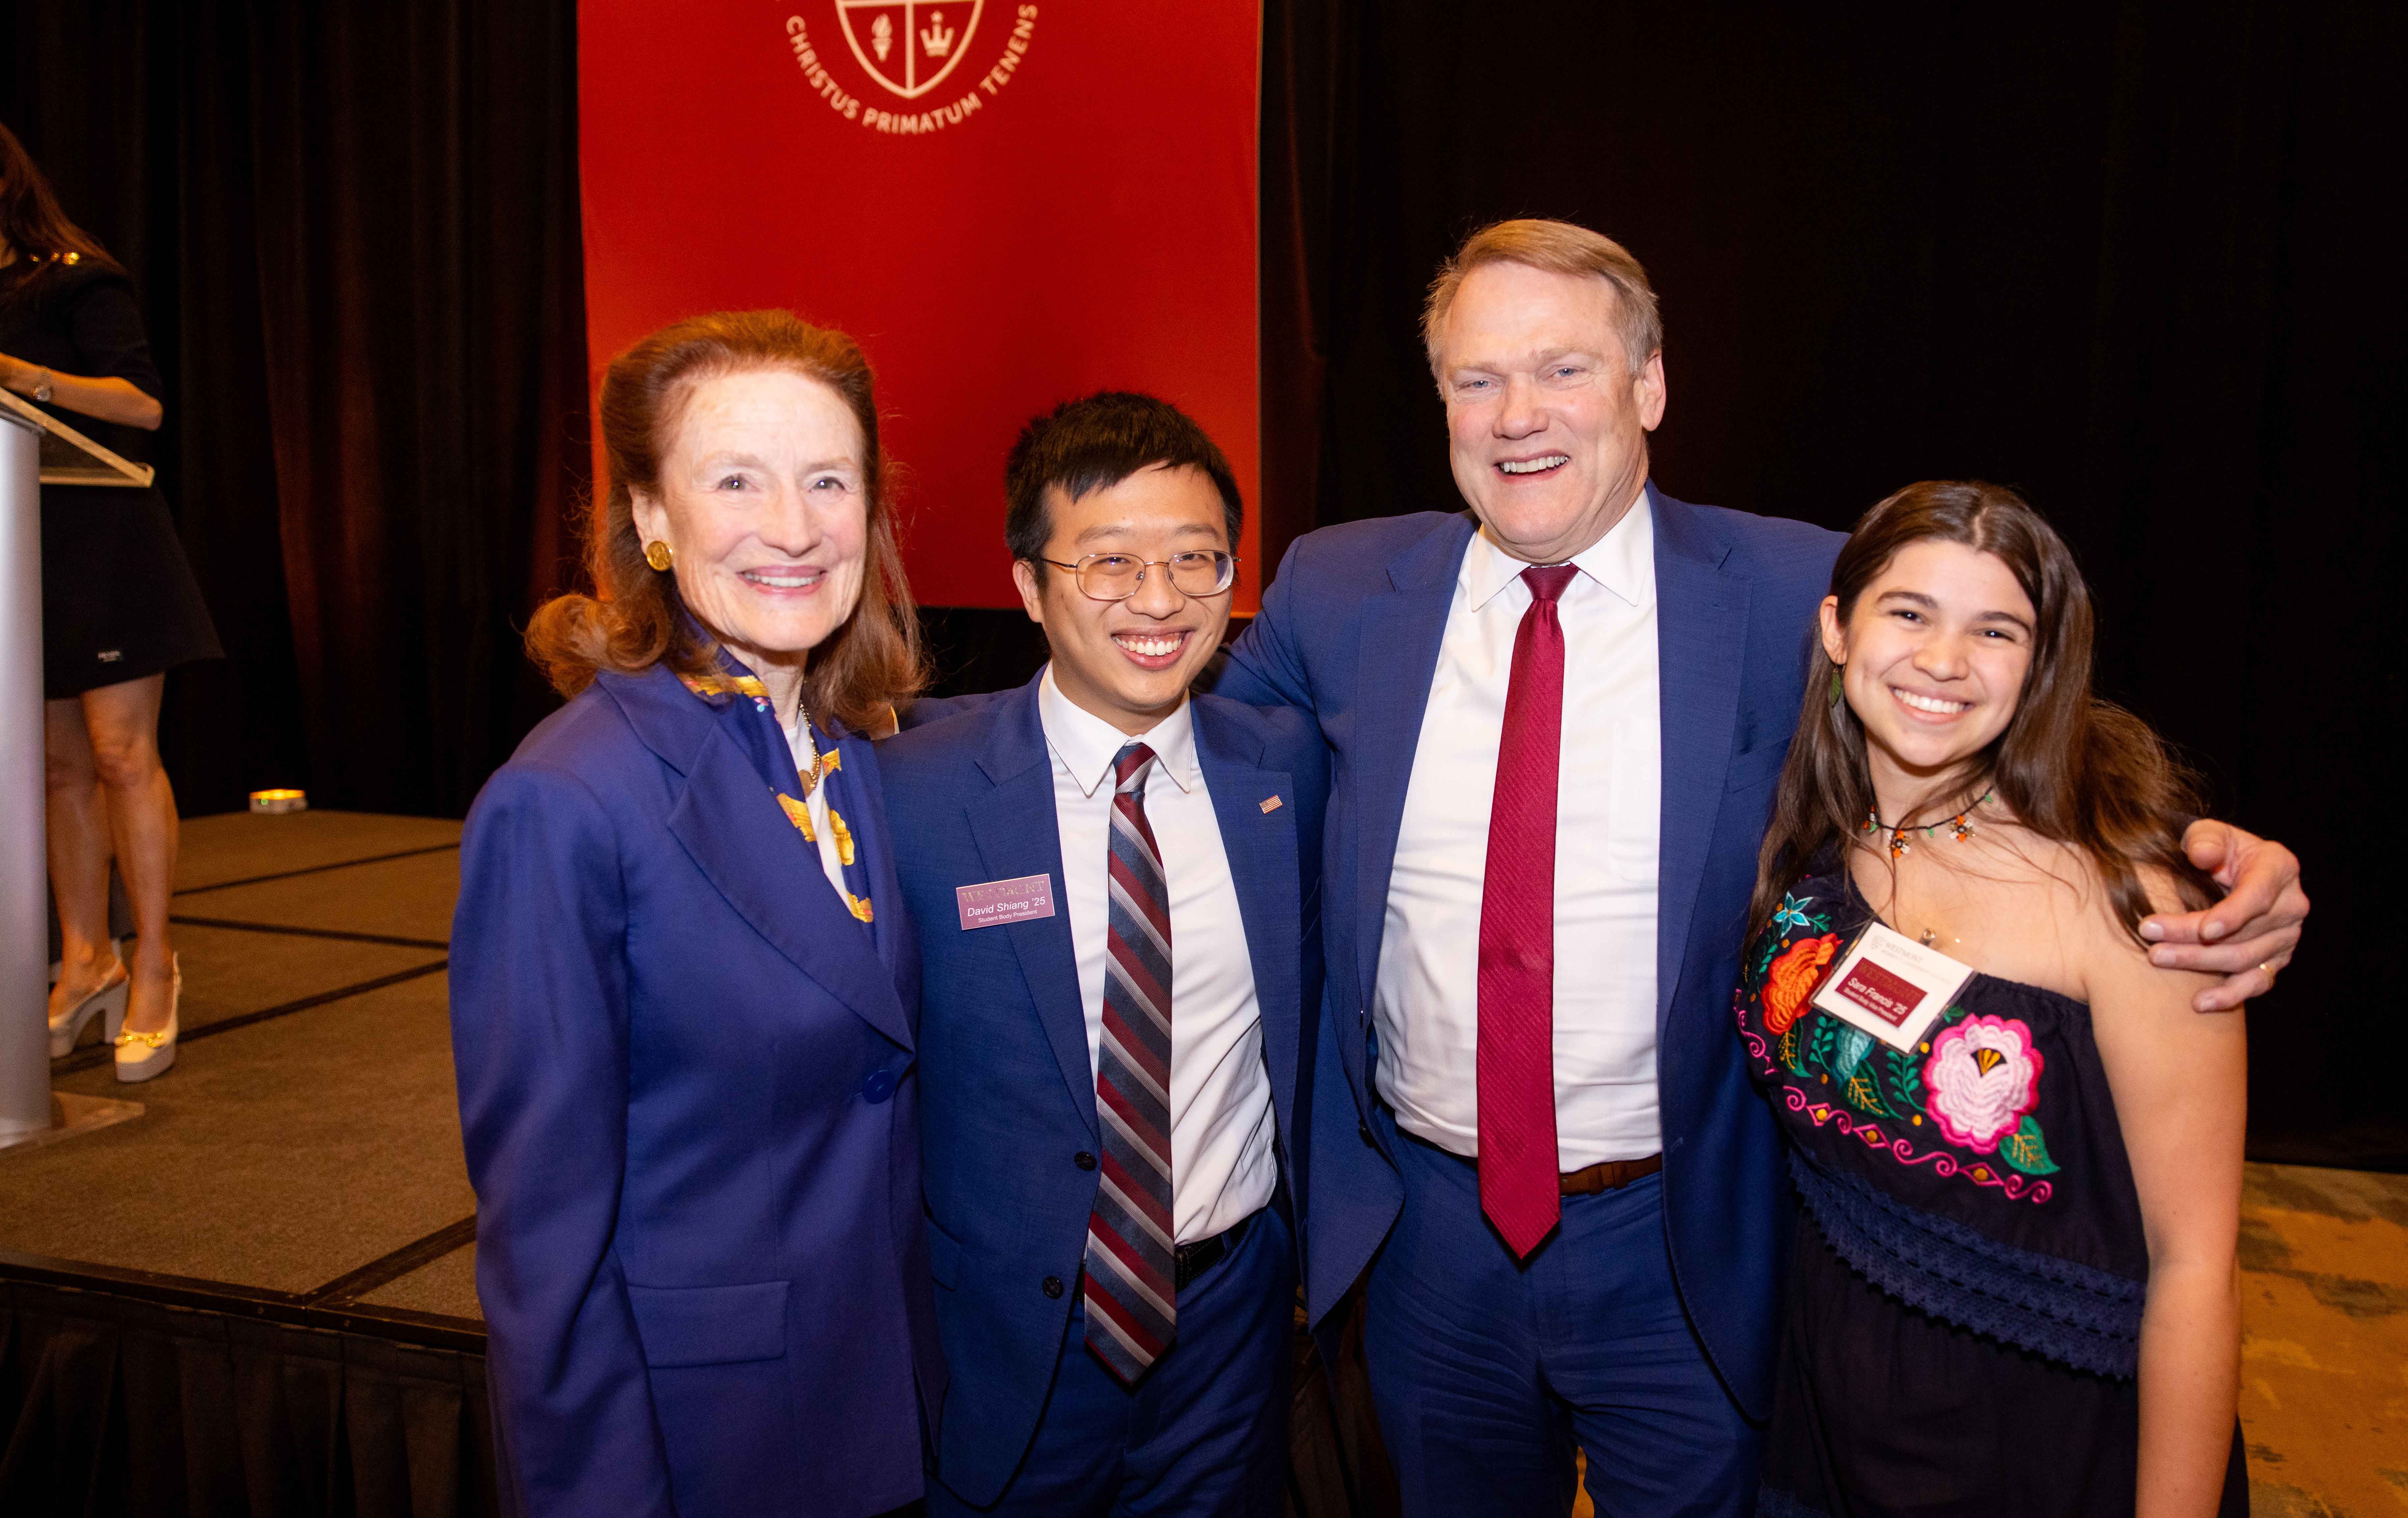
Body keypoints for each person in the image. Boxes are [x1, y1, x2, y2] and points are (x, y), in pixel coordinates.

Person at [1213, 219, 2309, 1516]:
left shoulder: (1794, 586)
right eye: (1477, 378)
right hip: (1426, 1239)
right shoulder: (1341, 589)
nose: (1517, 416)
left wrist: (2197, 852)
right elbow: (1182, 749)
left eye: (1563, 369)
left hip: (1688, 1239)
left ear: (1649, 385)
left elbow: (1984, 705)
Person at [448, 310, 942, 1517]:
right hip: (708, 1444)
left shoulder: (860, 757)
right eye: (736, 481)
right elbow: (545, 1252)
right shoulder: (565, 803)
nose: (794, 527)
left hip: (889, 1407)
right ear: (652, 518)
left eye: (828, 480)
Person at [1737, 480, 2249, 1516]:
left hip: (2036, 1437)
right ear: (1838, 629)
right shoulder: (1820, 833)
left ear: (2042, 663)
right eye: (1910, 612)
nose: (1943, 660)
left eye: (1995, 630)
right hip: (1825, 1408)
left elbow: (2198, 1268)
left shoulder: (2131, 905)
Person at [879, 392, 1327, 1515]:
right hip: (1003, 1340)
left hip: (1229, 1332)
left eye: (1196, 559)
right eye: (1110, 562)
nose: (1160, 600)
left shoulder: (1285, 771)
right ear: (1029, 585)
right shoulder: (913, 798)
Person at [1, 122, 222, 1081]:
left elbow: (144, 405)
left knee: (122, 756)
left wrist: (23, 377)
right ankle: (86, 958)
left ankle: (156, 965)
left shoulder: (77, 279)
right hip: (24, 549)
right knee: (57, 771)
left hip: (109, 544)